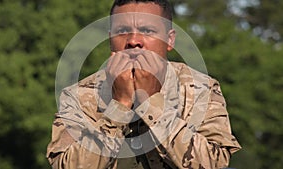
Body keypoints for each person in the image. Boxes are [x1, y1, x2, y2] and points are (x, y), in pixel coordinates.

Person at [46, 0, 241, 168]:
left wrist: (152, 105)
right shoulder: (79, 95)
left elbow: (214, 164)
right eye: (122, 31)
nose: (133, 41)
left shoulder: (201, 89)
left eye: (147, 31)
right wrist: (119, 107)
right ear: (110, 39)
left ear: (169, 40)